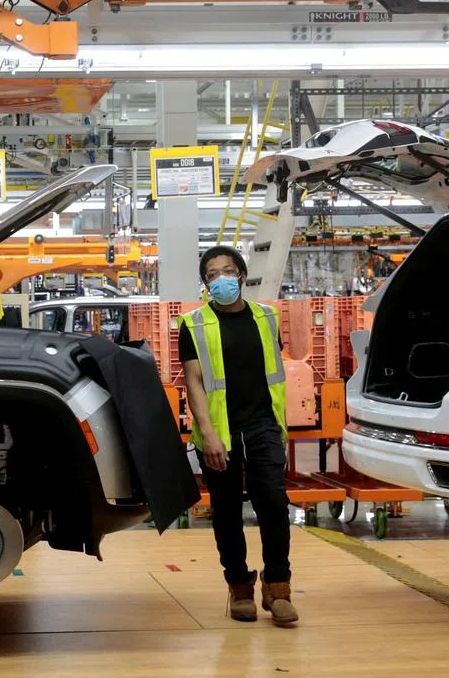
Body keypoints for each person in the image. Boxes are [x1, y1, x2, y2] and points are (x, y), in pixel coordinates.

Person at [176, 245, 298, 626]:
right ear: (205, 283)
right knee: (227, 512)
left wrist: (282, 425)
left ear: (242, 276)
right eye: (211, 275)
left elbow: (273, 374)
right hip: (219, 431)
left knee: (274, 503)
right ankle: (239, 587)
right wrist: (208, 435)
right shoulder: (193, 324)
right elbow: (194, 382)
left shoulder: (267, 317)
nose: (220, 279)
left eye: (227, 271)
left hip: (263, 424)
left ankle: (278, 587)